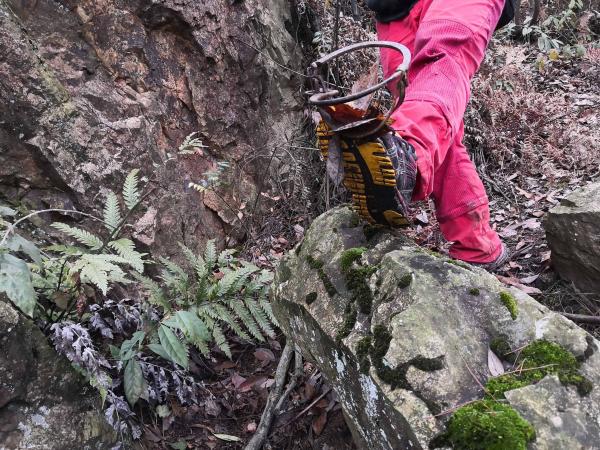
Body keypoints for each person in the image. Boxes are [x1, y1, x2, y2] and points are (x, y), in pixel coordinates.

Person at [338, 0, 514, 270]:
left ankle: (404, 149)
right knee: (427, 115)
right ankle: (478, 245)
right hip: (394, 10)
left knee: (442, 60)